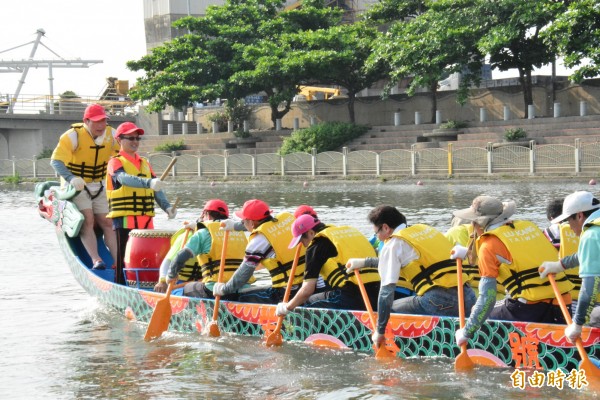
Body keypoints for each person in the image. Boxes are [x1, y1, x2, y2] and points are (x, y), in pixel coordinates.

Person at [452, 195, 574, 348]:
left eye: (473, 221)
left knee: (477, 310)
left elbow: (487, 299)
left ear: (480, 223)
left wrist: (466, 332)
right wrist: (467, 253)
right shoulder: (528, 227)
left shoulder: (489, 245)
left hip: (529, 309)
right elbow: (517, 258)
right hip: (563, 304)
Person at [347, 205, 476, 348]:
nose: (378, 237)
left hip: (438, 301)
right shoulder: (425, 230)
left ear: (385, 228)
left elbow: (386, 294)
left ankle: (404, 346)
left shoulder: (393, 244)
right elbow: (403, 261)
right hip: (468, 297)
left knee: (385, 311)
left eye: (377, 233)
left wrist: (379, 330)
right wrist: (364, 262)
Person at [106, 122, 177, 284]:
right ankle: (121, 287)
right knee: (124, 257)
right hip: (124, 219)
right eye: (130, 138)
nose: (135, 141)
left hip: (145, 220)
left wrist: (166, 207)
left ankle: (148, 285)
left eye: (137, 138)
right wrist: (148, 183)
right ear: (119, 140)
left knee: (147, 256)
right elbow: (123, 179)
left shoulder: (145, 163)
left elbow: (156, 188)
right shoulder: (115, 162)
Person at [50, 103, 119, 270]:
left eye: (104, 121)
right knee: (87, 218)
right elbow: (56, 161)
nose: (101, 125)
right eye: (96, 122)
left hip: (100, 184)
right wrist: (71, 178)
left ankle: (119, 261)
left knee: (108, 221)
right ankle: (96, 259)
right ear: (86, 121)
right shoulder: (72, 136)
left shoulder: (112, 134)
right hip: (77, 185)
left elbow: (120, 157)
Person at [275, 214, 380, 316]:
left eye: (302, 241)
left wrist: (287, 307)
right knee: (310, 299)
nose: (303, 245)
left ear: (311, 233)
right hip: (378, 293)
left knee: (301, 309)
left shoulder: (316, 245)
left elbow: (307, 290)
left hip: (351, 297)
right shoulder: (348, 232)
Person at [213, 199, 305, 304]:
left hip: (287, 292)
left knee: (237, 296)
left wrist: (224, 289)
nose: (242, 223)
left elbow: (242, 277)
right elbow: (259, 225)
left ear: (251, 222)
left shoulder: (258, 241)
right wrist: (234, 226)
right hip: (307, 284)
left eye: (243, 221)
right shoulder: (286, 218)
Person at [157, 199, 249, 299]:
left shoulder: (200, 233)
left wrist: (167, 279)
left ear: (206, 214)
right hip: (241, 287)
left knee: (188, 287)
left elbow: (178, 258)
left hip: (213, 288)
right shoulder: (240, 234)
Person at [538, 191, 600, 341]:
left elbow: (590, 286)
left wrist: (577, 325)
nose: (567, 226)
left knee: (595, 317)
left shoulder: (591, 234)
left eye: (568, 221)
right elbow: (586, 255)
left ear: (579, 216)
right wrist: (559, 265)